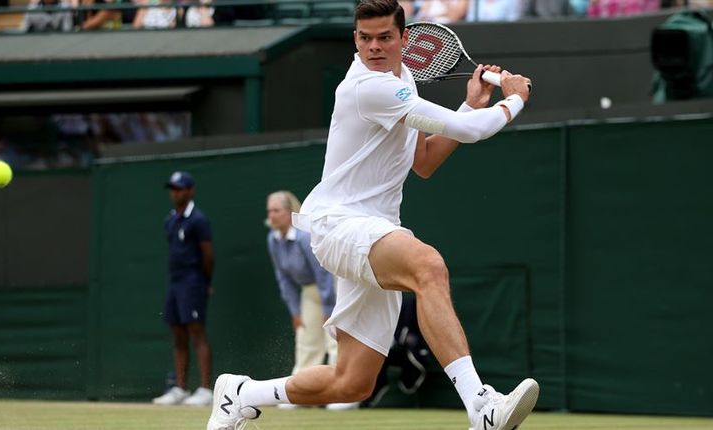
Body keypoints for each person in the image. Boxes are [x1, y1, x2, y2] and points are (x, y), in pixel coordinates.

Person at [207, 1, 537, 429]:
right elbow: (473, 133)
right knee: (428, 266)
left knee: (352, 383)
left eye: (384, 37)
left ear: (404, 38)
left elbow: (424, 161)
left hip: (374, 228)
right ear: (355, 40)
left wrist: (472, 105)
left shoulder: (404, 80)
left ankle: (240, 393)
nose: (374, 47)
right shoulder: (367, 87)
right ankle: (481, 405)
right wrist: (514, 100)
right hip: (338, 224)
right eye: (365, 38)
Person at [265, 191, 357, 410]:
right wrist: (295, 312)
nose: (271, 215)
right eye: (269, 211)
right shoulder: (273, 240)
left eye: (276, 210)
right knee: (306, 339)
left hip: (332, 287)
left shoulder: (304, 237)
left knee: (334, 339)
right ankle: (300, 393)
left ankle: (343, 394)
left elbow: (323, 272)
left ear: (289, 213)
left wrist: (328, 305)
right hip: (309, 292)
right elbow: (283, 278)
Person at [153, 171, 215, 407]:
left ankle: (205, 389)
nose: (175, 193)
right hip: (175, 283)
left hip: (194, 281)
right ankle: (180, 388)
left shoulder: (199, 220)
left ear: (190, 191)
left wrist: (205, 283)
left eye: (180, 188)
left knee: (197, 333)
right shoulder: (170, 220)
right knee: (178, 334)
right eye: (173, 188)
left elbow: (208, 256)